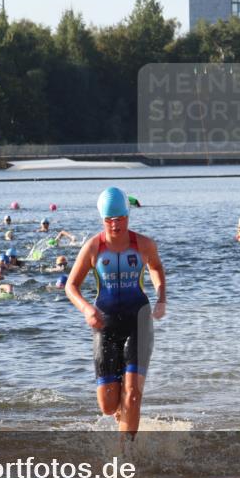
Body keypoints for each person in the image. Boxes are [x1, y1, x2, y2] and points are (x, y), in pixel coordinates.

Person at [65, 187, 166, 439]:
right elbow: (71, 286)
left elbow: (156, 268)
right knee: (108, 405)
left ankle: (126, 454)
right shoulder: (93, 248)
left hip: (138, 321)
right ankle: (122, 411)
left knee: (132, 393)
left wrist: (161, 297)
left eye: (119, 218)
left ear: (127, 217)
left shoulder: (143, 244)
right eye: (109, 220)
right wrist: (86, 308)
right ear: (102, 219)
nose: (115, 225)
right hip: (106, 325)